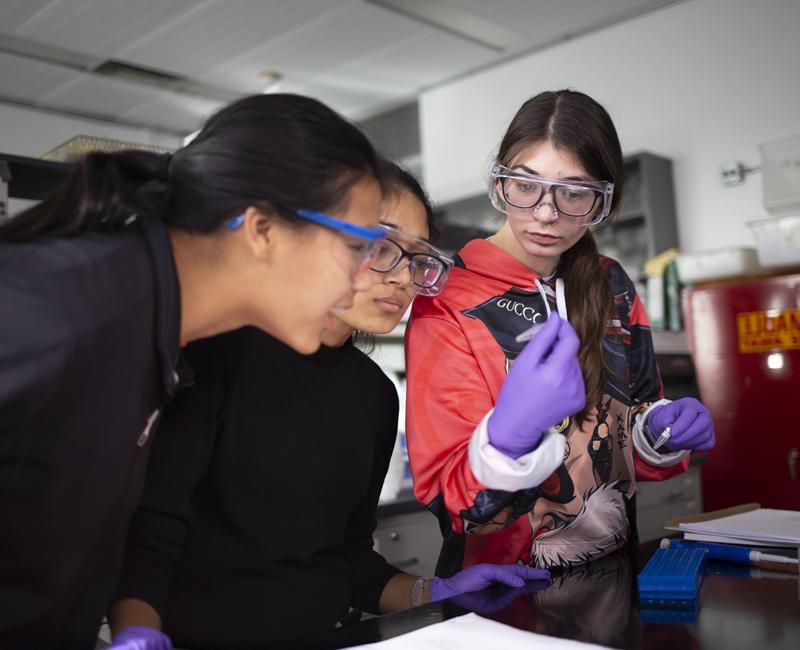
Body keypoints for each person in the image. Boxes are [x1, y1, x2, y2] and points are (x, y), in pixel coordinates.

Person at [0, 93, 389, 649]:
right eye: (357, 246)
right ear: (262, 230)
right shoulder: (64, 318)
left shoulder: (155, 334)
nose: (361, 281)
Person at [108, 163, 550, 650]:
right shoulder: (213, 358)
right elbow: (148, 540)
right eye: (383, 247)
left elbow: (348, 560)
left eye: (418, 258)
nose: (403, 277)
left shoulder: (374, 394)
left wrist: (435, 590)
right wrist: (137, 633)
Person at [404, 90, 716, 575]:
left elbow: (629, 442)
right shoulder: (449, 298)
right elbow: (450, 500)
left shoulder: (612, 283)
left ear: (602, 199)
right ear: (499, 183)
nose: (547, 213)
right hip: (500, 591)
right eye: (525, 186)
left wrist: (657, 432)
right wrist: (511, 436)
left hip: (611, 578)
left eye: (574, 192)